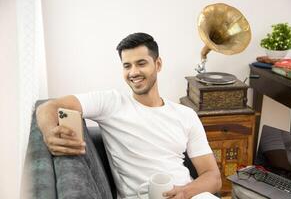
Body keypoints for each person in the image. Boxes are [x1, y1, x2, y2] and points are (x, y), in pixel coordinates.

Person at [36, 32, 221, 199]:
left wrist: (185, 192)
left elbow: (212, 176)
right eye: (127, 66)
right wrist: (49, 132)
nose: (133, 72)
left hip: (189, 194)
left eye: (141, 63)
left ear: (158, 64)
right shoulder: (110, 103)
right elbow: (48, 106)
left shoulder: (186, 114)